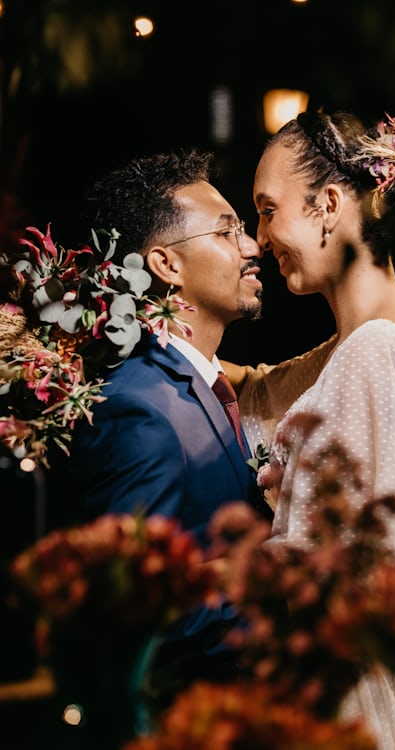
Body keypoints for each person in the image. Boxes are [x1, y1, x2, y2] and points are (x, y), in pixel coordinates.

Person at [223, 110, 395, 750]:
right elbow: (255, 389)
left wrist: (171, 581)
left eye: (265, 209)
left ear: (329, 204)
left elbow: (326, 567)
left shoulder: (373, 352)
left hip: (351, 701)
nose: (259, 238)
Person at [51, 148, 276, 712]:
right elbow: (135, 610)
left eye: (244, 230)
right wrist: (282, 575)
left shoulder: (201, 386)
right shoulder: (139, 408)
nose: (252, 247)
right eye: (228, 233)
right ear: (166, 265)